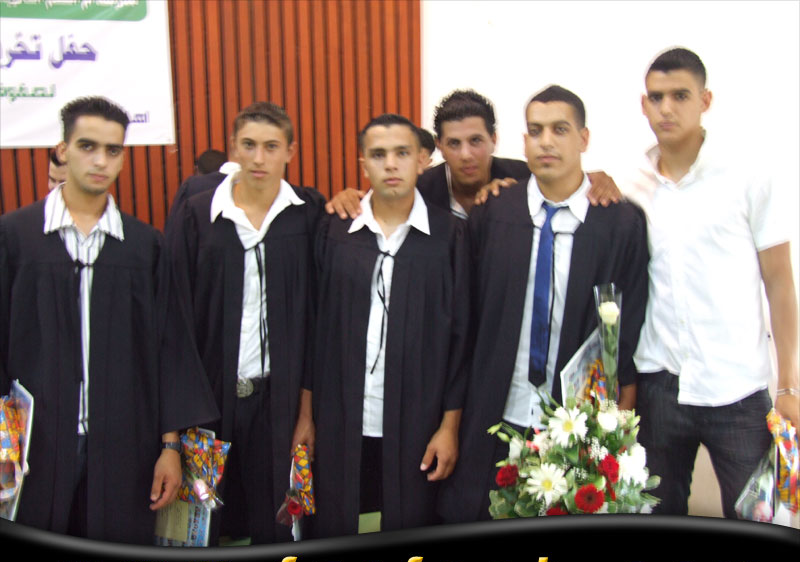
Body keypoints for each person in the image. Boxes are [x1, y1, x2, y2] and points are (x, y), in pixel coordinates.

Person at [0, 96, 219, 543]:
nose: (100, 160)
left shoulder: (144, 246)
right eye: (87, 146)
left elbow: (168, 350)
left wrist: (170, 447)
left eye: (113, 150)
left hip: (125, 448)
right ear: (62, 150)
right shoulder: (16, 237)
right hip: (34, 448)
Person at [438, 85, 649, 524]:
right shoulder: (493, 214)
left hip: (574, 420)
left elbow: (623, 333)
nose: (546, 141)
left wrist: (619, 425)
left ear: (583, 139)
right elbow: (465, 322)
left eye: (560, 129)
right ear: (523, 141)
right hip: (494, 409)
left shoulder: (619, 223)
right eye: (535, 131)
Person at [627, 48, 799, 518]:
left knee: (760, 520)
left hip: (737, 389)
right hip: (659, 388)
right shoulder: (632, 185)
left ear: (705, 100)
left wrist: (789, 387)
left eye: (680, 95)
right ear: (643, 105)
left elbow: (780, 283)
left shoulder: (747, 176)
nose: (666, 108)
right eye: (656, 97)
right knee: (654, 517)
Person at [166, 102, 323, 544]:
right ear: (234, 147)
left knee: (279, 525)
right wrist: (173, 434)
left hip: (279, 403)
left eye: (271, 146)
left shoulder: (307, 214)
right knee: (199, 528)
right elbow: (174, 324)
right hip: (207, 404)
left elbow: (317, 323)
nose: (259, 158)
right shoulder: (196, 216)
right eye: (249, 145)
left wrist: (306, 413)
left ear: (290, 151)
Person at [310, 114, 470, 537]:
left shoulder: (450, 236)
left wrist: (450, 427)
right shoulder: (335, 230)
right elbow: (316, 332)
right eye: (378, 155)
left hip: (419, 420)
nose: (391, 164)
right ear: (363, 163)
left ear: (422, 159)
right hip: (342, 417)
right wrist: (307, 417)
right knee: (339, 521)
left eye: (402, 153)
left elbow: (460, 342)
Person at [325, 89, 620, 219]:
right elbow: (377, 204)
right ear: (439, 146)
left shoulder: (523, 177)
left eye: (476, 141)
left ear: (494, 140)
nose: (466, 155)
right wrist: (349, 198)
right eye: (454, 144)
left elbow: (567, 183)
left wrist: (596, 180)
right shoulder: (420, 189)